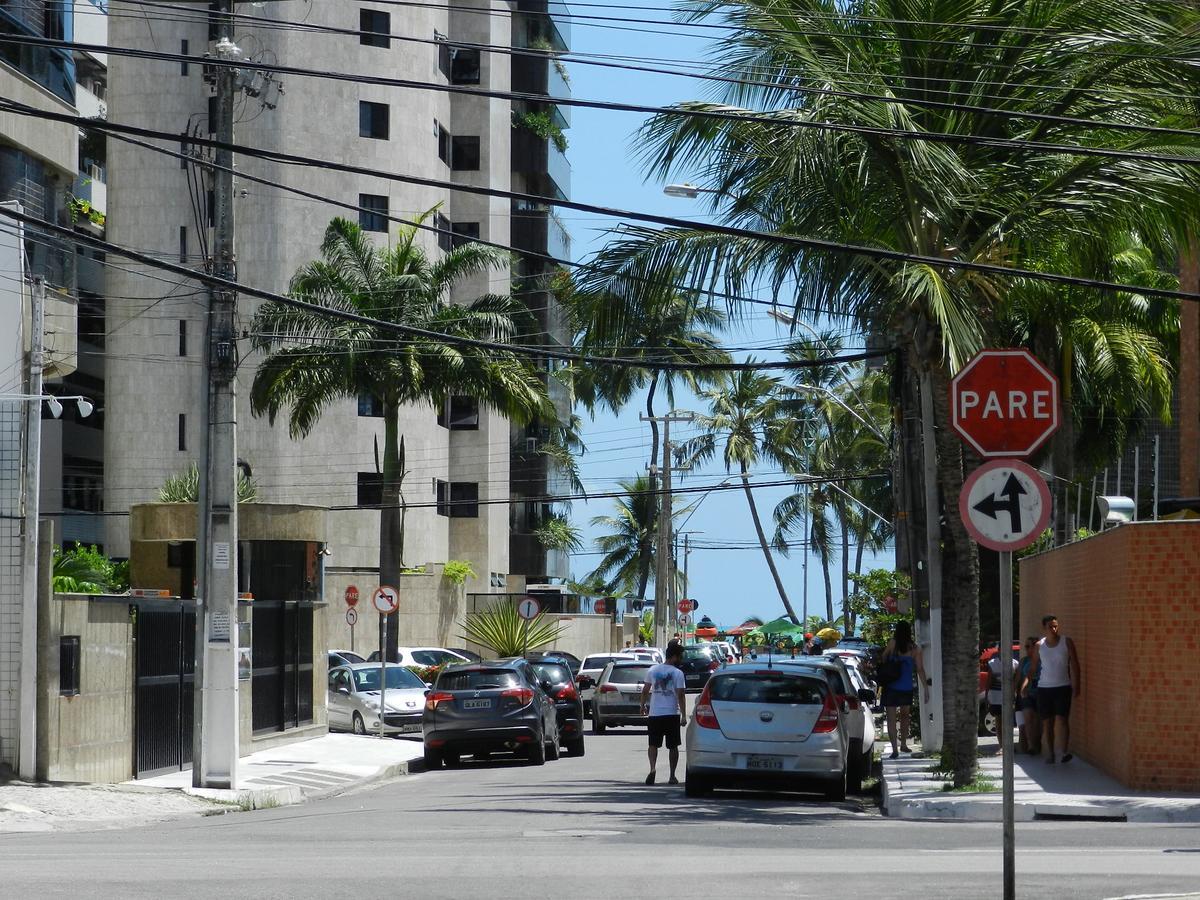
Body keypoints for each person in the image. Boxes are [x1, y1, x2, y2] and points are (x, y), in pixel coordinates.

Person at [1028, 615, 1080, 764]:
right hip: (1044, 688)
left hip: (1063, 686)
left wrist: (1077, 684)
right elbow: (1032, 668)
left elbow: (1075, 664)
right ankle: (1050, 753)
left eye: (1056, 626)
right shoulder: (1039, 645)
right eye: (1051, 626)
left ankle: (1063, 752)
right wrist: (1025, 684)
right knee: (1047, 722)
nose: (1054, 629)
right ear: (1044, 628)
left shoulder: (1067, 642)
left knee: (1063, 719)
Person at [639, 641, 687, 785]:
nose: (681, 659)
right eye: (680, 657)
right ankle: (672, 775)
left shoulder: (653, 670)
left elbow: (645, 690)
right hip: (671, 713)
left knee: (653, 744)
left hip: (655, 713)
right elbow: (681, 695)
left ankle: (652, 769)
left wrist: (642, 705)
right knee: (673, 746)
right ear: (673, 657)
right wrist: (684, 715)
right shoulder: (678, 673)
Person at [881, 621, 929, 759]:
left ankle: (894, 750)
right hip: (906, 687)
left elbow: (884, 657)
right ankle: (903, 744)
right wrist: (925, 687)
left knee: (891, 719)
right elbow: (920, 669)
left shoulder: (892, 644)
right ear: (909, 632)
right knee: (904, 716)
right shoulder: (915, 648)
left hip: (891, 686)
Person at [987, 644, 1019, 742]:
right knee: (999, 719)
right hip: (995, 695)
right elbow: (989, 681)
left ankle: (1009, 744)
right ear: (999, 650)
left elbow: (1016, 681)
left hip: (1008, 695)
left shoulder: (1015, 664)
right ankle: (1001, 745)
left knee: (1008, 721)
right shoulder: (992, 663)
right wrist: (987, 697)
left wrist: (1014, 695)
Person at [1017, 636, 1041, 755]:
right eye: (1025, 646)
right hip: (1026, 693)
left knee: (1037, 721)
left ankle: (1037, 744)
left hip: (1040, 693)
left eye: (1028, 646)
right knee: (1027, 718)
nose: (1026, 649)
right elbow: (1018, 679)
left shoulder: (1043, 660)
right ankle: (1031, 746)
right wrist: (1016, 693)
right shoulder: (1024, 661)